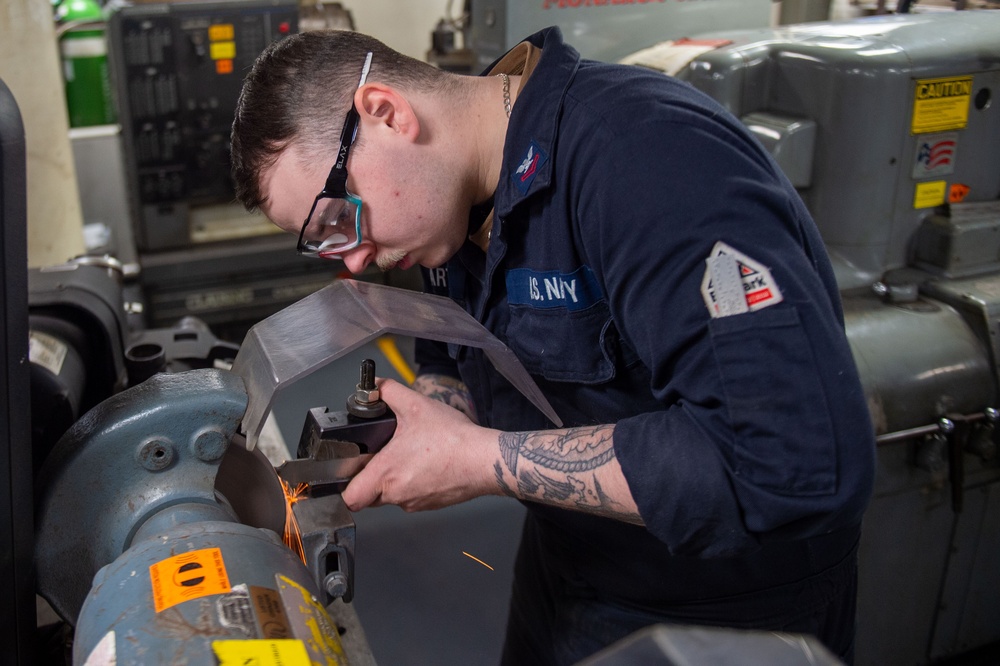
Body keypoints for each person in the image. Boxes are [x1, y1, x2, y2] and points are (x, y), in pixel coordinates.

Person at [230, 26, 875, 665]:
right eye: (324, 242)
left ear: (386, 114)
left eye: (338, 219)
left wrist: (478, 459)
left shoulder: (651, 162)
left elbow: (788, 465)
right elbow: (447, 338)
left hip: (722, 609)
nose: (353, 261)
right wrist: (440, 406)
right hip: (566, 566)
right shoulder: (451, 200)